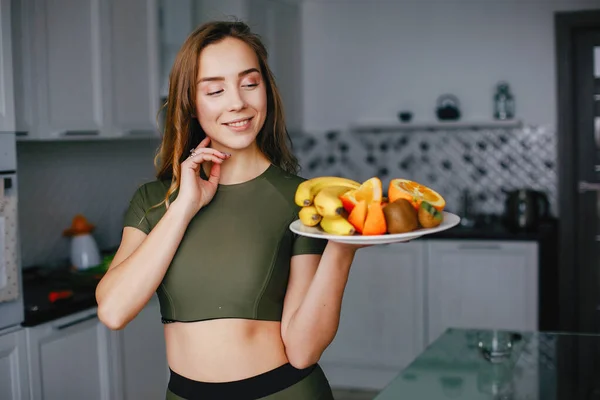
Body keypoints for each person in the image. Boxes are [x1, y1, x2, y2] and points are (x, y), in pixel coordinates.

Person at [95, 20, 363, 400]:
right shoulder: (154, 201)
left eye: (250, 83)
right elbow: (114, 311)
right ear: (190, 103)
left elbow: (303, 350)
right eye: (215, 89)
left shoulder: (301, 199)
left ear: (266, 90)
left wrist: (342, 249)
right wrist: (185, 206)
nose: (237, 102)